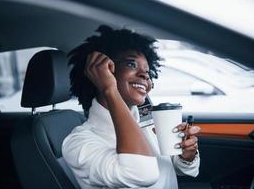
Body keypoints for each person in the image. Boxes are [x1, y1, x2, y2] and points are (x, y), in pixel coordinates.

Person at [62, 25, 200, 189]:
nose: (144, 75)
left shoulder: (148, 123)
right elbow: (142, 174)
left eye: (148, 72)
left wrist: (186, 156)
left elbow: (175, 169)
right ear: (100, 72)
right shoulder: (78, 143)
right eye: (132, 64)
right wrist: (109, 89)